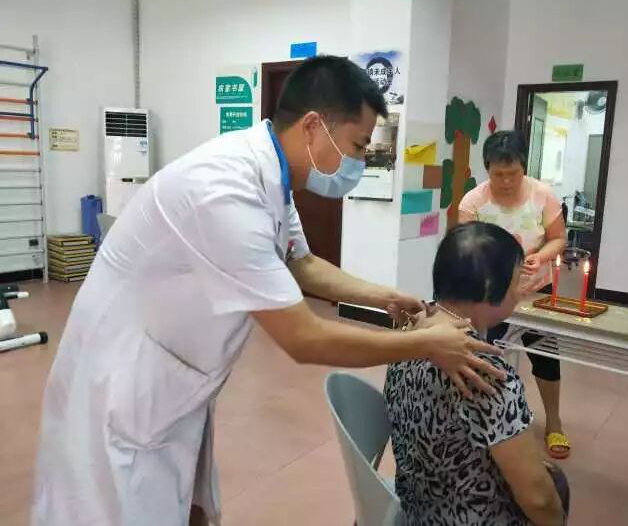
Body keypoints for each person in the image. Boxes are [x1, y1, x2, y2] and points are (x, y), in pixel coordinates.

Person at [31, 56, 505, 526]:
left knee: (180, 502)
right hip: (121, 385)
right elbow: (304, 338)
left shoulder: (274, 180)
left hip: (171, 380)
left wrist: (384, 297)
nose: (359, 162)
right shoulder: (225, 191)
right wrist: (424, 344)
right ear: (314, 126)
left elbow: (301, 264)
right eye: (358, 146)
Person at [385, 222, 569, 526]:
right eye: (516, 281)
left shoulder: (408, 335)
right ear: (488, 287)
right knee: (554, 487)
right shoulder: (485, 372)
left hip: (417, 508)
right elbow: (538, 499)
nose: (519, 292)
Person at [459, 130, 569, 459]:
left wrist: (542, 256)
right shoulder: (473, 202)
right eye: (498, 174)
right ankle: (484, 420)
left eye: (514, 173)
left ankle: (554, 422)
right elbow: (464, 247)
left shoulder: (543, 195)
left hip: (535, 291)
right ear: (487, 169)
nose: (506, 181)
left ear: (524, 167)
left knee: (546, 356)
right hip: (492, 295)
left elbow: (558, 238)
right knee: (484, 355)